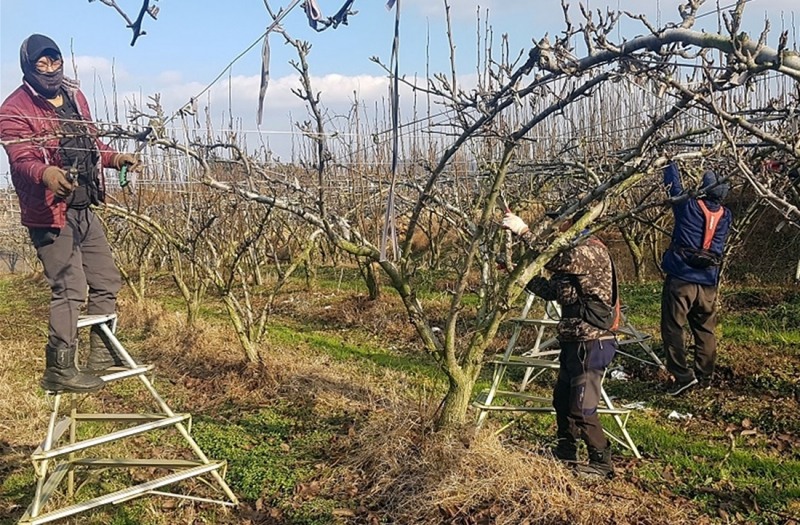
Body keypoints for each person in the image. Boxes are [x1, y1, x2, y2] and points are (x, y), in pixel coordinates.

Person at [0, 34, 139, 393]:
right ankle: (60, 368)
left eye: (54, 61)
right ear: (28, 67)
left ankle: (102, 354)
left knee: (107, 279)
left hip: (82, 207)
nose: (50, 70)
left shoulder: (75, 96)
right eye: (41, 64)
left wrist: (116, 158)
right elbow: (22, 159)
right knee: (70, 287)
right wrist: (48, 175)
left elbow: (91, 143)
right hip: (49, 214)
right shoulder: (14, 109)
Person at [503, 209, 619, 479]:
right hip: (572, 339)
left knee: (582, 405)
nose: (560, 226)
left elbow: (554, 258)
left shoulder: (588, 251)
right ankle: (566, 453)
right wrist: (515, 271)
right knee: (563, 400)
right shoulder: (573, 258)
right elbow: (551, 291)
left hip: (593, 340)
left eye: (565, 221)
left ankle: (602, 463)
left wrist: (523, 231)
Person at [660, 160, 732, 396]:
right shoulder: (726, 216)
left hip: (682, 279)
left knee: (673, 327)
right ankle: (705, 376)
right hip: (708, 283)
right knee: (705, 330)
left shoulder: (688, 206)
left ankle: (682, 376)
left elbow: (673, 187)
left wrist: (669, 163)